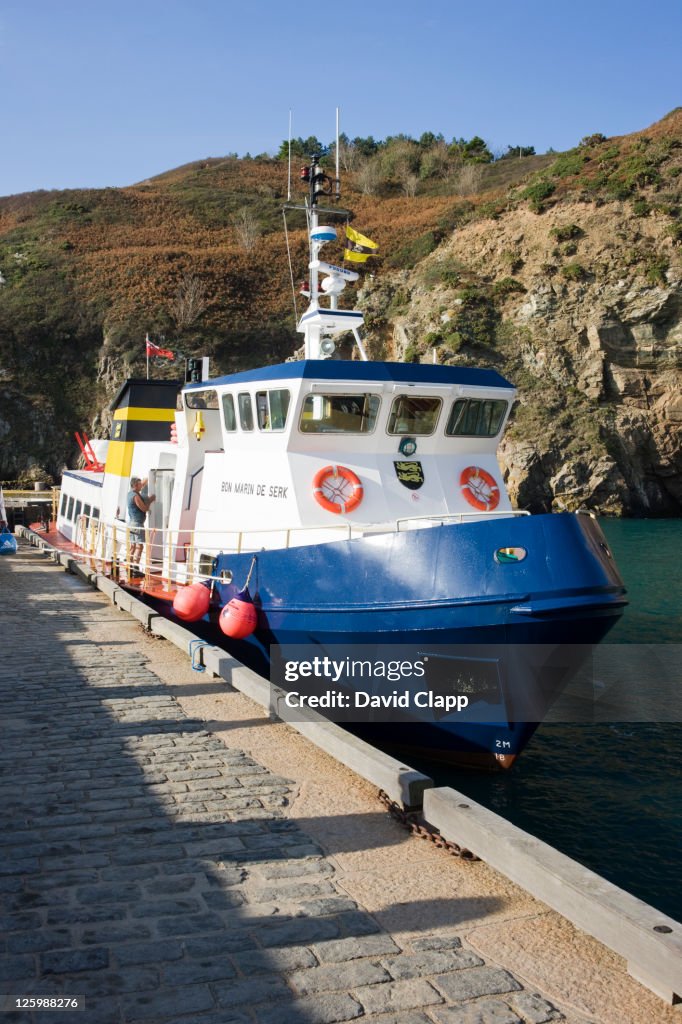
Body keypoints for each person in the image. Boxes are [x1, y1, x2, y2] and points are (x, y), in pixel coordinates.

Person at [127, 476, 155, 572]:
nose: (141, 486)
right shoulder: (135, 496)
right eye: (139, 485)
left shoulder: (130, 493)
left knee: (133, 546)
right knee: (139, 546)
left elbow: (142, 484)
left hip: (131, 523)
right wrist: (150, 501)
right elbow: (144, 508)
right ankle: (135, 567)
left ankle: (129, 565)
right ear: (135, 485)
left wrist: (149, 477)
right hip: (137, 524)